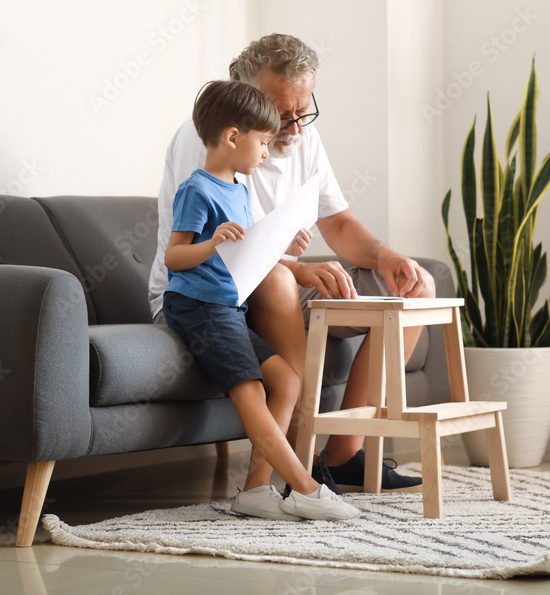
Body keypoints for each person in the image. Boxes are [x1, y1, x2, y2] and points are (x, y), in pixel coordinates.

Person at [150, 34, 436, 492]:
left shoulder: (305, 136)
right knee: (282, 279)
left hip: (275, 271)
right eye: (283, 117)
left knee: (418, 287)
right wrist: (296, 266)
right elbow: (217, 250)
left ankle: (342, 456)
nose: (297, 129)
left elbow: (337, 222)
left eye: (305, 111)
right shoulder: (204, 141)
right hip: (213, 287)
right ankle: (301, 460)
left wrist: (384, 256)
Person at [162, 79, 359, 521]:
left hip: (229, 308)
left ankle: (254, 490)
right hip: (198, 308)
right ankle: (305, 488)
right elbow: (175, 257)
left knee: (287, 381)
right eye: (264, 143)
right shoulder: (198, 190)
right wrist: (211, 243)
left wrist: (288, 244)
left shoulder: (238, 189)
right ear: (234, 137)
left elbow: (249, 251)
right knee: (251, 390)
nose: (268, 153)